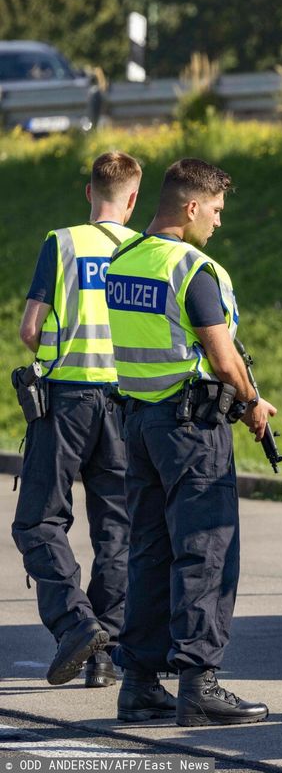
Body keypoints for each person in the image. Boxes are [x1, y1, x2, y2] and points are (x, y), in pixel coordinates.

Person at [107, 158, 276, 726]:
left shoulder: (124, 260)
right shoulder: (193, 269)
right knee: (205, 552)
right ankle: (199, 684)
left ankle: (138, 683)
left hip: (139, 423)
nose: (220, 223)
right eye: (217, 211)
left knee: (150, 553)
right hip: (191, 430)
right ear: (192, 206)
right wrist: (254, 404)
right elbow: (223, 357)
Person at [13, 152, 142, 689]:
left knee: (39, 521)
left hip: (66, 399)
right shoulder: (144, 250)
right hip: (127, 404)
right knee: (118, 531)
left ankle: (75, 624)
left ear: (89, 193)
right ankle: (104, 654)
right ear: (133, 200)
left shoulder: (62, 242)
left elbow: (29, 328)